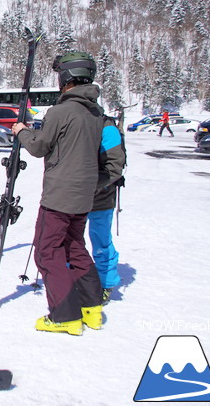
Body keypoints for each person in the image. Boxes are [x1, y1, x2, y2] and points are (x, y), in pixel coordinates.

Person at [12, 51, 104, 336]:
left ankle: (65, 316)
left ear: (66, 77)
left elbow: (39, 147)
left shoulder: (61, 111)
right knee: (74, 245)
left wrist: (21, 132)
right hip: (84, 193)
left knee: (47, 251)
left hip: (60, 194)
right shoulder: (95, 112)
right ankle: (91, 308)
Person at [88, 116, 127, 305]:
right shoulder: (78, 121)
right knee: (70, 238)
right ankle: (74, 277)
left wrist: (95, 185)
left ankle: (106, 283)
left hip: (101, 193)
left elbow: (115, 166)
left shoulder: (107, 127)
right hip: (76, 193)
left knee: (101, 240)